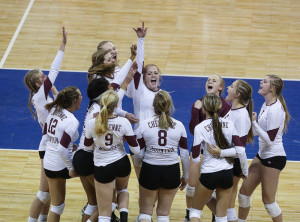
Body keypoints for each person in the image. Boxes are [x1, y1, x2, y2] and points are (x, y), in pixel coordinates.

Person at [73, 63, 137, 222]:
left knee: (95, 202)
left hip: (82, 155)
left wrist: (126, 81)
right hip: (90, 157)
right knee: (108, 201)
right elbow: (114, 102)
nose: (113, 88)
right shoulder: (97, 113)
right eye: (110, 88)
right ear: (104, 94)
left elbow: (114, 98)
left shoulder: (98, 105)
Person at [24, 27, 67, 222]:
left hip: (51, 144)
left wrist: (53, 86)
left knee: (48, 193)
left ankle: (41, 220)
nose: (45, 78)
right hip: (48, 147)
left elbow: (61, 100)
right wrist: (62, 46)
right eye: (42, 78)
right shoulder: (41, 96)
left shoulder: (43, 95)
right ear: (36, 85)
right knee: (43, 193)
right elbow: (55, 70)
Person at [238, 74, 289, 222]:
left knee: (269, 203)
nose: (261, 82)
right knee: (243, 194)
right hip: (262, 155)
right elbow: (257, 131)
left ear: (272, 88)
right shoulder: (265, 104)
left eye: (265, 82)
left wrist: (253, 123)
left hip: (274, 157)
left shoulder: (276, 109)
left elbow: (269, 140)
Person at [84, 90, 140, 222]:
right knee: (122, 190)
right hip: (121, 163)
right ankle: (124, 217)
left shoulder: (92, 123)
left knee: (104, 212)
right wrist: (121, 141)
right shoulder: (124, 122)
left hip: (103, 166)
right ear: (116, 106)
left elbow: (87, 147)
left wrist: (100, 144)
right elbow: (136, 150)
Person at [189, 93, 246, 222]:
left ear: (204, 109)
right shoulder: (229, 124)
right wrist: (245, 170)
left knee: (195, 212)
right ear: (219, 107)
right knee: (222, 217)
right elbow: (240, 150)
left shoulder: (199, 128)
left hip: (209, 174)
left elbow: (196, 157)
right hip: (227, 174)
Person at [134, 90, 189, 222]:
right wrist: (186, 176)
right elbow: (184, 155)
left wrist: (138, 165)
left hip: (150, 169)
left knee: (145, 213)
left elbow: (139, 154)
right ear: (170, 105)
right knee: (164, 214)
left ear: (154, 105)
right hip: (171, 171)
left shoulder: (144, 125)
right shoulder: (179, 126)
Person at [206, 80, 253, 222]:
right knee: (225, 203)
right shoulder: (232, 111)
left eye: (231, 86)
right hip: (226, 160)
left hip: (233, 161)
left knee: (225, 202)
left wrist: (244, 169)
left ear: (237, 94)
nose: (228, 87)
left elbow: (240, 149)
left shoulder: (241, 115)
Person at [186, 74, 231, 222]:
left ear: (220, 87)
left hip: (217, 154)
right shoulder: (199, 103)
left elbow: (221, 132)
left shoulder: (225, 106)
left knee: (212, 190)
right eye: (208, 80)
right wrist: (195, 110)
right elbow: (193, 130)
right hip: (199, 150)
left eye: (214, 80)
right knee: (192, 186)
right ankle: (189, 214)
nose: (209, 82)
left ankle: (213, 215)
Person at [42, 86, 82, 222]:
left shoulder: (54, 110)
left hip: (48, 163)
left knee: (56, 206)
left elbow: (46, 134)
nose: (82, 97)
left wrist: (69, 145)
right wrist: (71, 169)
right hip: (60, 166)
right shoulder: (72, 121)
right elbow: (62, 149)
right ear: (75, 100)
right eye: (80, 95)